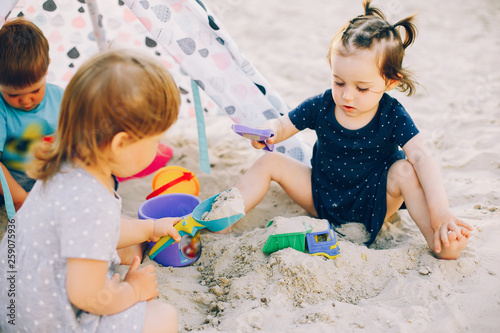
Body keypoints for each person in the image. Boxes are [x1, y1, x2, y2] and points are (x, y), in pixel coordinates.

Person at [234, 0, 473, 260]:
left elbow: (421, 156)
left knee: (405, 170)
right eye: (339, 82)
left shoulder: (392, 114)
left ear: (390, 82)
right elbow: (283, 125)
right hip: (321, 196)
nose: (347, 96)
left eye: (361, 88)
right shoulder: (322, 104)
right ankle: (224, 218)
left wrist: (440, 209)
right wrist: (269, 132)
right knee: (270, 161)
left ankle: (438, 235)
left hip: (375, 203)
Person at [0, 49, 182, 333]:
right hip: (48, 321)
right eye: (155, 140)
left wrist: (150, 228)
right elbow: (87, 295)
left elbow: (91, 230)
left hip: (14, 305)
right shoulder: (91, 200)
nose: (158, 148)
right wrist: (133, 291)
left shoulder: (65, 165)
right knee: (164, 317)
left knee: (129, 248)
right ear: (121, 144)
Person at [0, 17, 64, 210]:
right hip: (13, 180)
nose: (26, 101)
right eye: (13, 94)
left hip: (53, 172)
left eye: (35, 90)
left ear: (46, 68)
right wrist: (20, 198)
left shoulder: (61, 97)